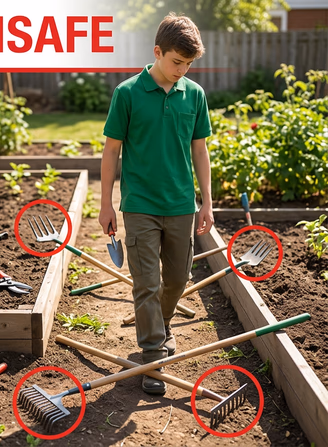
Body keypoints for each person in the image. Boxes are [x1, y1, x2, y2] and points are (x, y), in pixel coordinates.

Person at [99, 12, 213, 395]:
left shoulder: (194, 95)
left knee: (178, 279)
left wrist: (207, 202)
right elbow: (111, 150)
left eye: (189, 64)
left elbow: (200, 151)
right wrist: (106, 204)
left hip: (182, 203)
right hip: (140, 204)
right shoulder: (127, 93)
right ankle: (152, 357)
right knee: (146, 283)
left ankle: (160, 329)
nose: (182, 70)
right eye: (176, 61)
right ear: (157, 52)